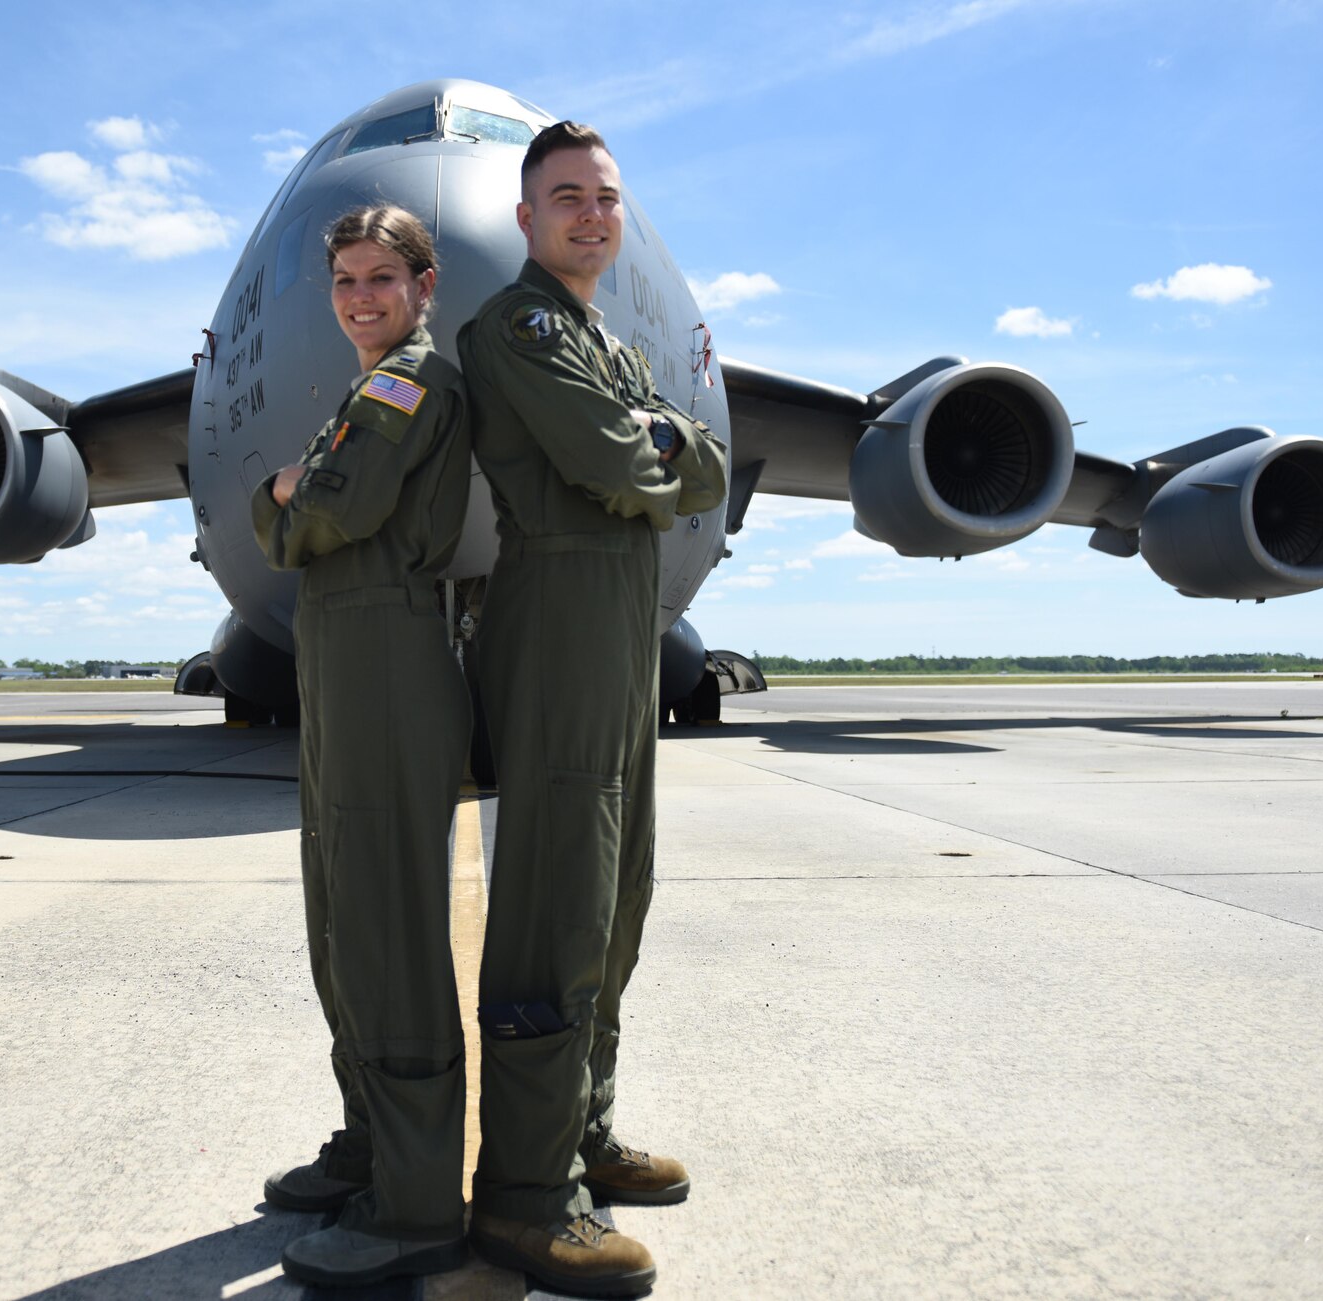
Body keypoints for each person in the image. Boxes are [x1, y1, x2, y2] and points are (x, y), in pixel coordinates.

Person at [458, 121, 728, 1297]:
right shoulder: (514, 329)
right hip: (561, 623)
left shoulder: (601, 340)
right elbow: (632, 472)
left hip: (623, 636)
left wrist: (659, 440)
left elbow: (703, 463)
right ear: (527, 219)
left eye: (605, 197)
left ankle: (580, 1127)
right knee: (557, 906)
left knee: (617, 900)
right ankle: (524, 1194)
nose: (590, 215)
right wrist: (662, 443)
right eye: (565, 197)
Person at [250, 204, 474, 1287]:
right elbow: (318, 509)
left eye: (381, 277)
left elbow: (325, 513)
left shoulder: (407, 383)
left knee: (383, 929)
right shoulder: (364, 386)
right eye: (343, 279)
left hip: (386, 654)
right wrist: (294, 496)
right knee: (339, 921)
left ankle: (417, 1200)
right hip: (341, 660)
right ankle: (371, 1141)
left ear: (422, 285)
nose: (359, 297)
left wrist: (282, 492)